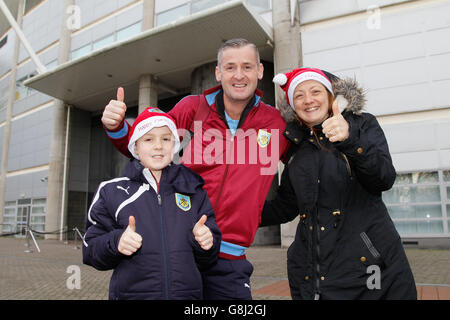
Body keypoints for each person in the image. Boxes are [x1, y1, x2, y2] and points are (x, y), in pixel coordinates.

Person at [101, 38, 290, 299]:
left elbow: (307, 163)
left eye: (247, 67)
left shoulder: (276, 123)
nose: (238, 75)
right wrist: (117, 126)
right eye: (230, 67)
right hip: (181, 249)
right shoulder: (193, 107)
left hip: (230, 258)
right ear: (218, 72)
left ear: (260, 71)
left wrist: (262, 211)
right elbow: (145, 146)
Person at [260, 67, 417, 300]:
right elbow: (286, 205)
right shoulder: (296, 145)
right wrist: (233, 215)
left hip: (370, 270)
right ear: (292, 105)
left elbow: (383, 178)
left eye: (315, 91)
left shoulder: (361, 125)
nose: (308, 100)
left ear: (330, 95)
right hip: (313, 274)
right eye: (299, 95)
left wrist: (350, 140)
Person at [82, 107, 221, 300]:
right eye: (148, 139)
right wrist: (116, 242)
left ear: (174, 145)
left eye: (165, 139)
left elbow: (209, 258)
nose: (158, 146)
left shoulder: (194, 190)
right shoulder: (111, 191)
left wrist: (206, 243)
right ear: (135, 147)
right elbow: (90, 249)